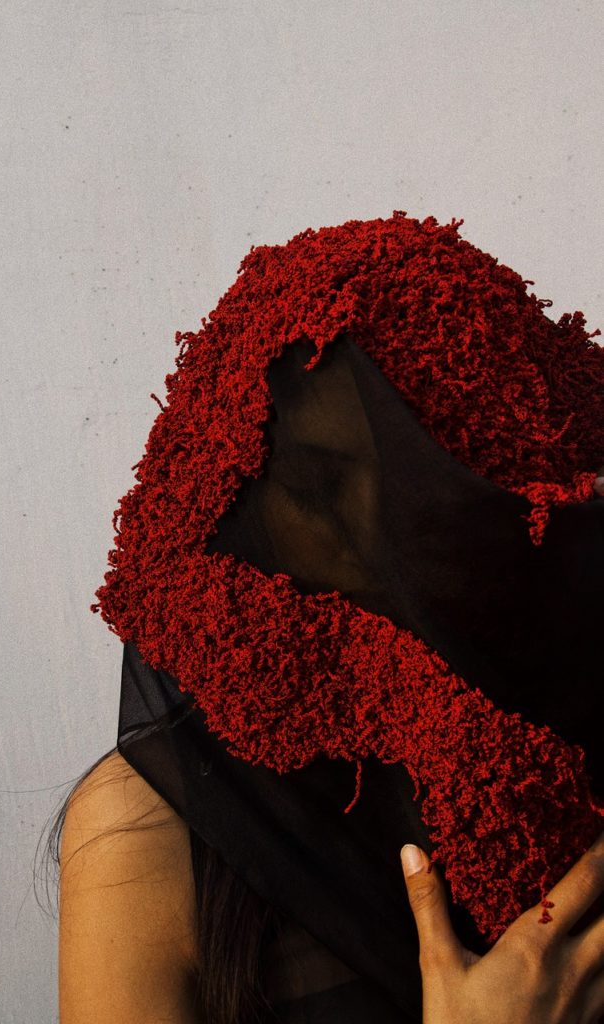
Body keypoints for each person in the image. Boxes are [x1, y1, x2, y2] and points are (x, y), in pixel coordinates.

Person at [45, 212, 604, 1022]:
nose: (373, 530)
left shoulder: (578, 736)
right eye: (316, 485)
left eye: (416, 482)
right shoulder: (146, 828)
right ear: (244, 500)